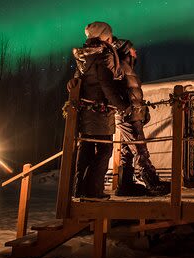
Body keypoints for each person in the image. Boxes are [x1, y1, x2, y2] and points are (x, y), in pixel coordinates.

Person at [71, 21, 148, 199]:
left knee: (87, 149)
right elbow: (106, 85)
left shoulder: (85, 55)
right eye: (109, 34)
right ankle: (94, 192)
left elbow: (79, 78)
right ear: (105, 35)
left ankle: (79, 189)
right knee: (105, 150)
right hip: (101, 110)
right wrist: (123, 107)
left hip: (86, 110)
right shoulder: (104, 54)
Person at [111, 36, 171, 195]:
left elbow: (133, 94)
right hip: (128, 115)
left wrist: (142, 110)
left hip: (132, 114)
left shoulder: (127, 68)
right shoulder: (120, 68)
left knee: (127, 151)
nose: (135, 51)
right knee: (140, 149)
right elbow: (118, 91)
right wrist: (127, 108)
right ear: (124, 50)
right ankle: (152, 183)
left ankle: (125, 186)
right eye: (131, 48)